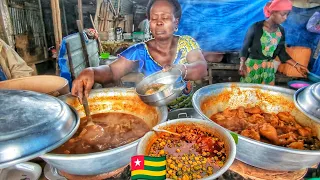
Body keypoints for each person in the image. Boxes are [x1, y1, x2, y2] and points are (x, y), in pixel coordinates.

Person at [72, 0, 207, 110]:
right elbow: (111, 71)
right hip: (155, 112)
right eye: (154, 19)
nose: (159, 22)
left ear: (175, 22)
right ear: (150, 23)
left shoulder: (187, 43)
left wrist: (181, 69)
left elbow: (201, 67)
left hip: (187, 112)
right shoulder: (139, 51)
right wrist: (91, 72)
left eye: (165, 18)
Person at [239, 0, 309, 85]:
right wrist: (242, 64)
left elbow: (282, 53)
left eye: (287, 14)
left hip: (268, 69)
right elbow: (245, 47)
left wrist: (297, 65)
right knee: (249, 93)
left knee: (266, 95)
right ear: (273, 12)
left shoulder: (281, 31)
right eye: (283, 14)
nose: (285, 18)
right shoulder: (256, 27)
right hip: (252, 67)